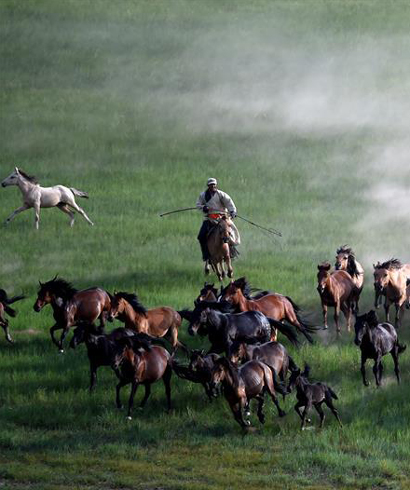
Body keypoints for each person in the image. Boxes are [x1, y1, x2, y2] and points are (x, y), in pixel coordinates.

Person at [196, 178, 238, 264]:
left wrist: (233, 211)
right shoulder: (203, 195)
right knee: (201, 236)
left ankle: (231, 252)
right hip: (210, 219)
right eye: (211, 185)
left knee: (230, 233)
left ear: (216, 185)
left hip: (222, 218)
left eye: (214, 184)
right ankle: (206, 255)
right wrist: (203, 207)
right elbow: (198, 204)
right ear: (208, 186)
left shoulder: (221, 194)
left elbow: (229, 203)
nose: (213, 186)